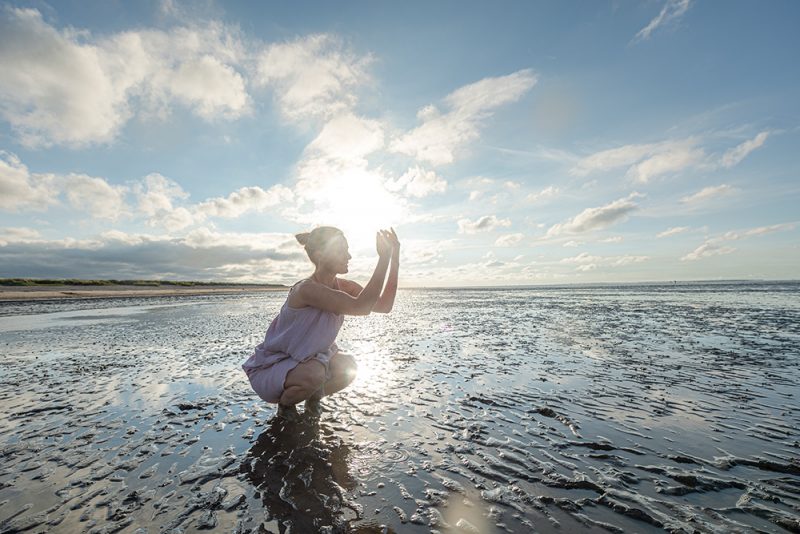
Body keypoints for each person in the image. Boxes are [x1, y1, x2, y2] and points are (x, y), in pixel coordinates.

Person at [242, 226, 400, 419]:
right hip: (275, 366)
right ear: (320, 255)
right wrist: (382, 258)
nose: (348, 256)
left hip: (311, 358)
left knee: (347, 367)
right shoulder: (306, 289)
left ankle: (313, 398)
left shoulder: (345, 287)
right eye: (342, 251)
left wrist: (394, 257)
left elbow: (384, 306)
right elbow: (361, 307)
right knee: (315, 373)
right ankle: (285, 407)